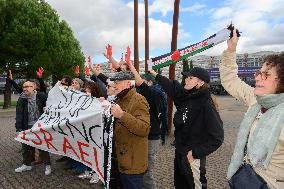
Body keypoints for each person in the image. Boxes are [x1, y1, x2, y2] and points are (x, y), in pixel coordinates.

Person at [220, 29, 284, 189]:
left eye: (266, 75)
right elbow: (230, 80)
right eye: (258, 72)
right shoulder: (256, 101)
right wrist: (231, 50)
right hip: (245, 178)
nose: (257, 77)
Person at [149, 66, 224, 189]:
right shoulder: (187, 96)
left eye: (190, 78)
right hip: (180, 152)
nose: (186, 80)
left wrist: (195, 153)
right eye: (186, 77)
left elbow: (218, 137)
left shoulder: (206, 104)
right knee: (180, 185)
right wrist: (155, 74)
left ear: (200, 82)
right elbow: (172, 87)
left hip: (193, 158)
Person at [128, 63, 167, 189]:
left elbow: (140, 83)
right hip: (144, 135)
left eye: (143, 82)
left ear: (149, 82)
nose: (139, 84)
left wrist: (130, 65)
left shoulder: (154, 94)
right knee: (141, 168)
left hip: (151, 136)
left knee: (147, 171)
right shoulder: (148, 94)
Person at [109, 71, 150, 189]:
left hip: (132, 163)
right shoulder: (120, 99)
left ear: (128, 83)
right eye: (114, 82)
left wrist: (122, 115)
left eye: (117, 82)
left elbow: (144, 128)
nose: (114, 85)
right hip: (122, 160)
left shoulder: (138, 100)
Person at [14, 80, 52, 175]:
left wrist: (47, 109)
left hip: (40, 126)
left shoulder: (41, 96)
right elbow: (19, 114)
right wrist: (18, 128)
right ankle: (27, 164)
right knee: (25, 146)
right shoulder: (22, 98)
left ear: (34, 87)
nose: (25, 88)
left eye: (28, 86)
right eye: (24, 87)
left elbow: (50, 107)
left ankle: (47, 165)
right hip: (27, 126)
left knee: (43, 146)